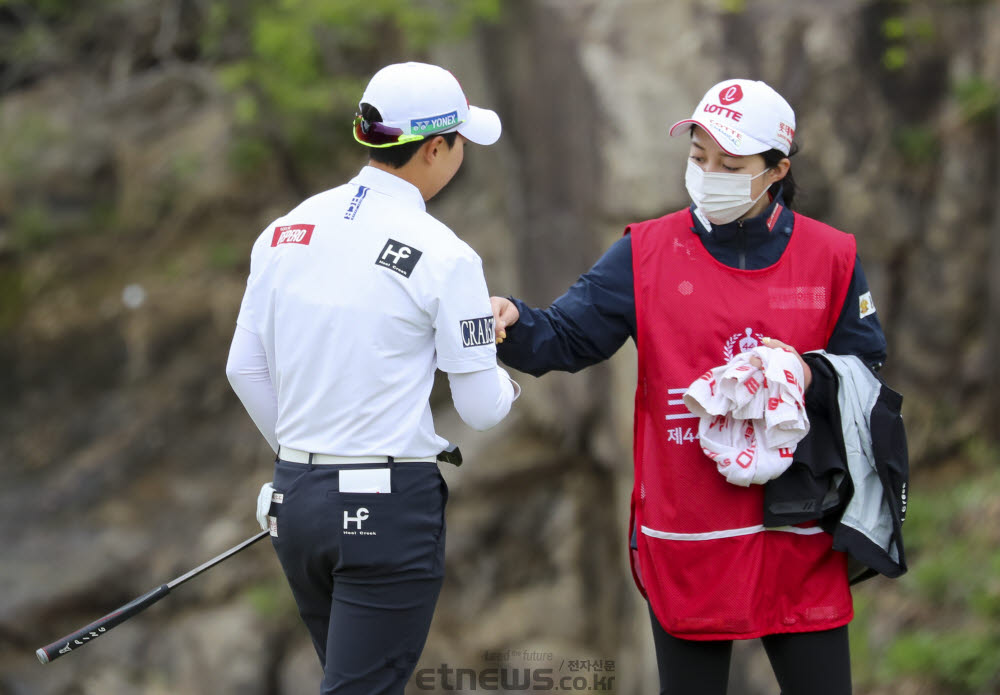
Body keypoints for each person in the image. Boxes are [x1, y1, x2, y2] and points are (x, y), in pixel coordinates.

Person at [491, 79, 887, 695]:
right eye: (698, 158)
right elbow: (566, 338)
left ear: (777, 169)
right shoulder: (644, 252)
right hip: (689, 530)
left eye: (731, 165)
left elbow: (867, 366)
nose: (709, 175)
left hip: (799, 530)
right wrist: (512, 324)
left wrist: (803, 373)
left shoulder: (830, 256)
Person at [226, 62, 519, 694]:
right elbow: (481, 409)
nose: (461, 152)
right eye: (461, 141)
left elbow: (243, 367)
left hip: (295, 500)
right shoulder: (447, 255)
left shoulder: (284, 230)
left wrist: (301, 462)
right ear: (436, 147)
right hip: (387, 509)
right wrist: (495, 354)